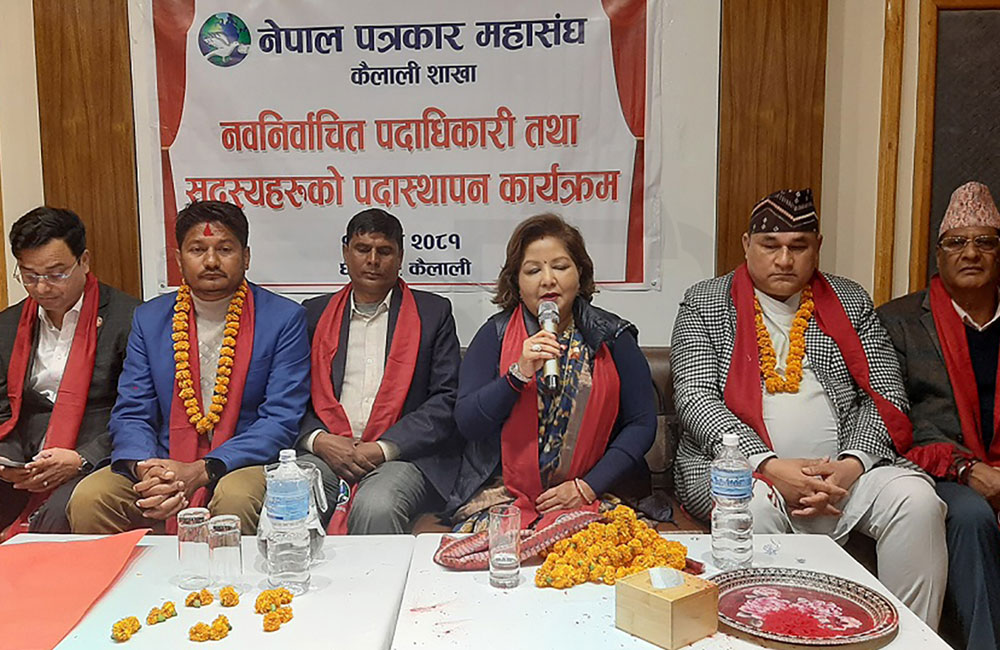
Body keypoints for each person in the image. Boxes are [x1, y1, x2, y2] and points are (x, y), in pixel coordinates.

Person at [671, 188, 947, 627]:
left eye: (798, 246)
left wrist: (850, 466)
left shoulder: (850, 300)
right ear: (746, 245)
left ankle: (910, 637)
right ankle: (774, 633)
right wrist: (769, 466)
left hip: (843, 476)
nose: (784, 260)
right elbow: (695, 397)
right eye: (770, 246)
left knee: (916, 502)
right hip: (744, 471)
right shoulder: (706, 302)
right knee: (751, 505)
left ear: (817, 247)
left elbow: (886, 395)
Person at [67, 201, 310, 534]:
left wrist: (201, 470)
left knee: (235, 498)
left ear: (246, 257)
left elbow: (280, 420)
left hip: (243, 460)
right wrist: (148, 470)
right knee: (91, 498)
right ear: (179, 259)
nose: (211, 261)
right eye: (198, 250)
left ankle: (225, 572)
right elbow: (132, 411)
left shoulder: (283, 319)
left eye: (224, 249)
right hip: (162, 458)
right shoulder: (150, 319)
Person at [447, 213, 656, 531]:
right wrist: (517, 375)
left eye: (559, 267)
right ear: (516, 282)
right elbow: (468, 423)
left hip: (591, 492)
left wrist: (588, 487)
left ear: (580, 274)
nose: (547, 279)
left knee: (600, 550)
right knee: (500, 551)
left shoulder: (612, 336)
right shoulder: (495, 335)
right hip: (505, 496)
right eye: (533, 270)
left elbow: (641, 424)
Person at [878, 181, 1000, 649]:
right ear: (939, 254)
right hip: (942, 470)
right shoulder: (899, 322)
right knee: (970, 516)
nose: (970, 253)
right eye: (956, 243)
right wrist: (968, 469)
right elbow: (899, 414)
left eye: (984, 241)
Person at [297, 208, 461, 534]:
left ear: (400, 257)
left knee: (377, 505)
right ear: (346, 252)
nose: (373, 260)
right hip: (325, 452)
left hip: (403, 456)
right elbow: (290, 394)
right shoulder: (312, 314)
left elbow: (446, 399)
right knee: (293, 493)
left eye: (384, 251)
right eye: (362, 249)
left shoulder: (433, 313)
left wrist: (384, 448)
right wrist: (319, 440)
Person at [0, 208, 138, 537]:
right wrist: (7, 460)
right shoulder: (7, 325)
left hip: (95, 455)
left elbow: (138, 411)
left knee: (58, 517)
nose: (42, 287)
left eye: (56, 274)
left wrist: (81, 458)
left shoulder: (131, 320)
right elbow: (3, 406)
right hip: (24, 458)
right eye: (29, 276)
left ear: (84, 261)